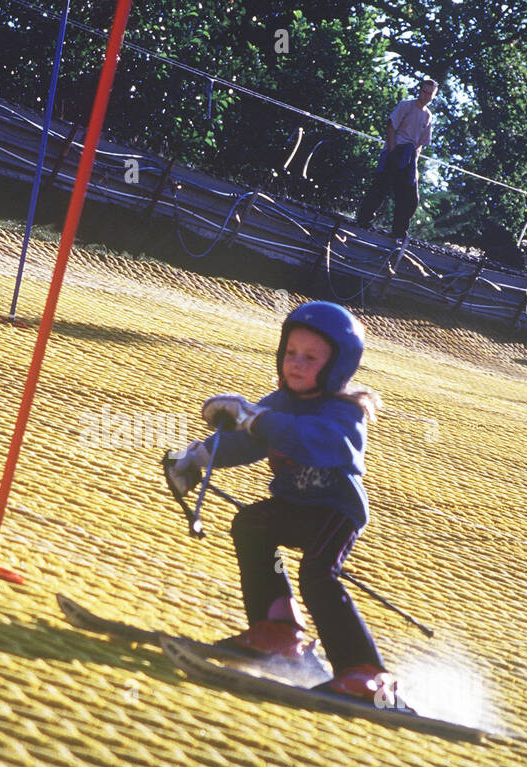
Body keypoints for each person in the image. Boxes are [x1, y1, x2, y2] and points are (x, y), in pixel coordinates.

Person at [165, 301, 396, 706]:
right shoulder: (281, 402)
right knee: (252, 526)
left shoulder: (344, 413)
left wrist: (254, 417)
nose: (297, 364)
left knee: (317, 575)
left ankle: (367, 674)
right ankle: (278, 630)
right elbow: (246, 441)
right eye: (290, 353)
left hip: (333, 512)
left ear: (336, 367)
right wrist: (198, 456)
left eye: (311, 358)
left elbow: (310, 440)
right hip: (293, 504)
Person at [355, 79, 437, 243]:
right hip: (396, 148)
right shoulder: (406, 105)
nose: (425, 96)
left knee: (410, 198)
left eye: (430, 93)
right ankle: (363, 220)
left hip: (410, 156)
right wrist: (392, 151)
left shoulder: (428, 115)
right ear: (419, 91)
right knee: (380, 187)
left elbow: (422, 142)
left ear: (433, 96)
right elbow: (391, 126)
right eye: (424, 91)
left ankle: (399, 232)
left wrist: (412, 162)